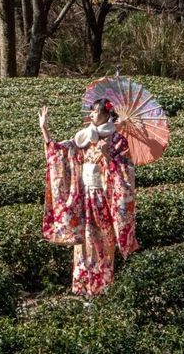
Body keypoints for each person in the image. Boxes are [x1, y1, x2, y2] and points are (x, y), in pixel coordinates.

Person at [38, 97, 138, 297]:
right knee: (83, 245)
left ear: (106, 114)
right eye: (91, 111)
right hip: (84, 198)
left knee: (102, 243)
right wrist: (44, 129)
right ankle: (85, 289)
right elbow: (60, 153)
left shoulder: (117, 140)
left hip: (102, 199)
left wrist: (108, 156)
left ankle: (103, 289)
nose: (91, 114)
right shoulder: (84, 137)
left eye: (95, 111)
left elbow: (126, 172)